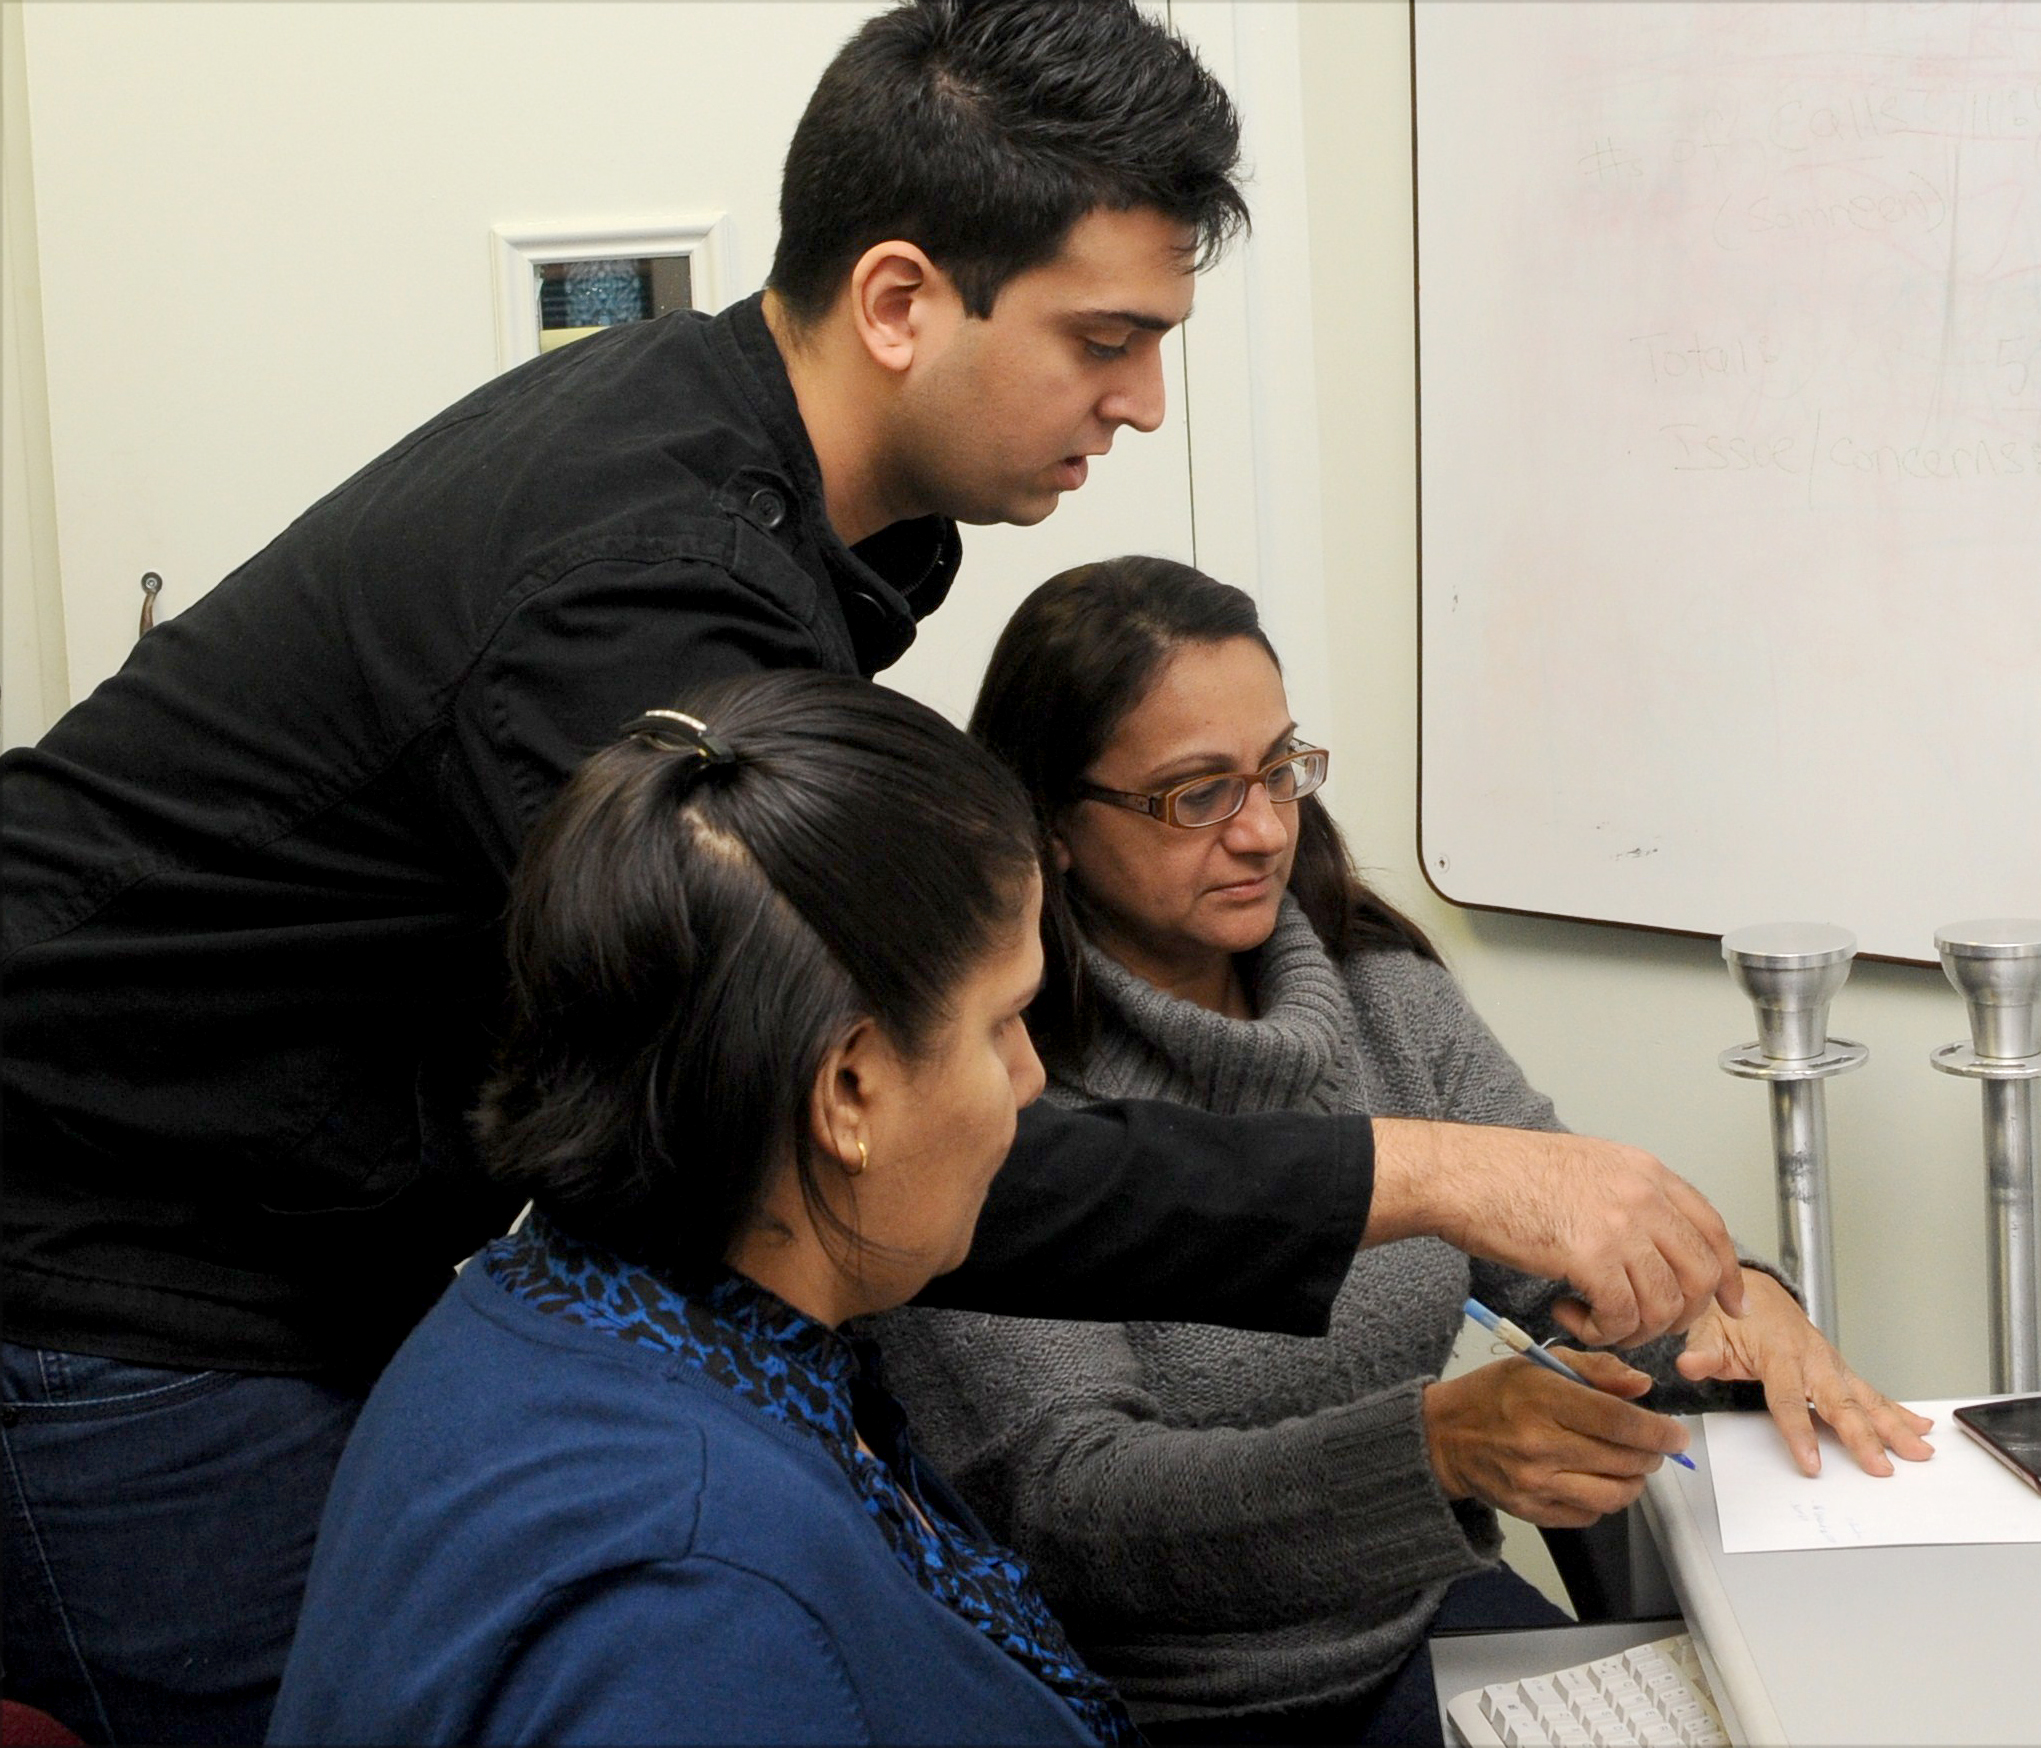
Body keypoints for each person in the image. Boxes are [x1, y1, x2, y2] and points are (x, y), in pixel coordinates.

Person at [0, 6, 1746, 1742]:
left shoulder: (754, 496)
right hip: (112, 1277)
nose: (1140, 402)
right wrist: (1439, 1176)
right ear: (902, 300)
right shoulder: (642, 591)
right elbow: (915, 1117)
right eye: (1103, 340)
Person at [876, 558, 1935, 1743]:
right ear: (1052, 824)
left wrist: (1747, 1310)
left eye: (1281, 768)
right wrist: (1431, 1450)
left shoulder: (1378, 991)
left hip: (1437, 1628)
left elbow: (1568, 1236)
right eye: (1197, 794)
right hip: (1165, 1705)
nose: (1267, 830)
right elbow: (1068, 1509)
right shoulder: (993, 1085)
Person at [272, 669, 1171, 1741]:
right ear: (847, 1089)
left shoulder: (557, 1299)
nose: (1029, 1077)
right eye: (1005, 1021)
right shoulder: (695, 1605)